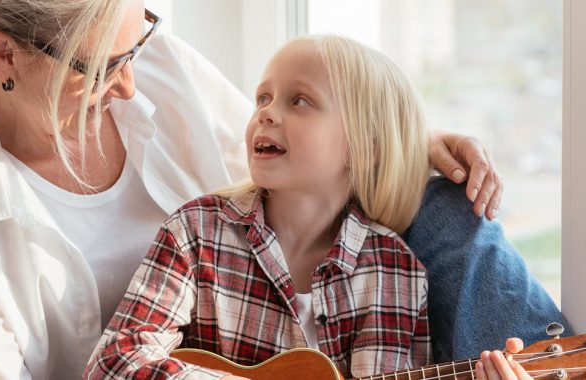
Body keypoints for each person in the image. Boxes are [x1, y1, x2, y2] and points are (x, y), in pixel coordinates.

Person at [0, 0, 568, 378]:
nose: (132, 85)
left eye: (138, 48)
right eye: (107, 67)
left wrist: (403, 143)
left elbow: (287, 144)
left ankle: (548, 357)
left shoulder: (385, 269)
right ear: (5, 57)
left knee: (448, 203)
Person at [83, 35, 532, 380]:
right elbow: (113, 361)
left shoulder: (393, 270)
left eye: (299, 100)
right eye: (263, 97)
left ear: (365, 148)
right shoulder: (196, 231)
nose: (267, 113)